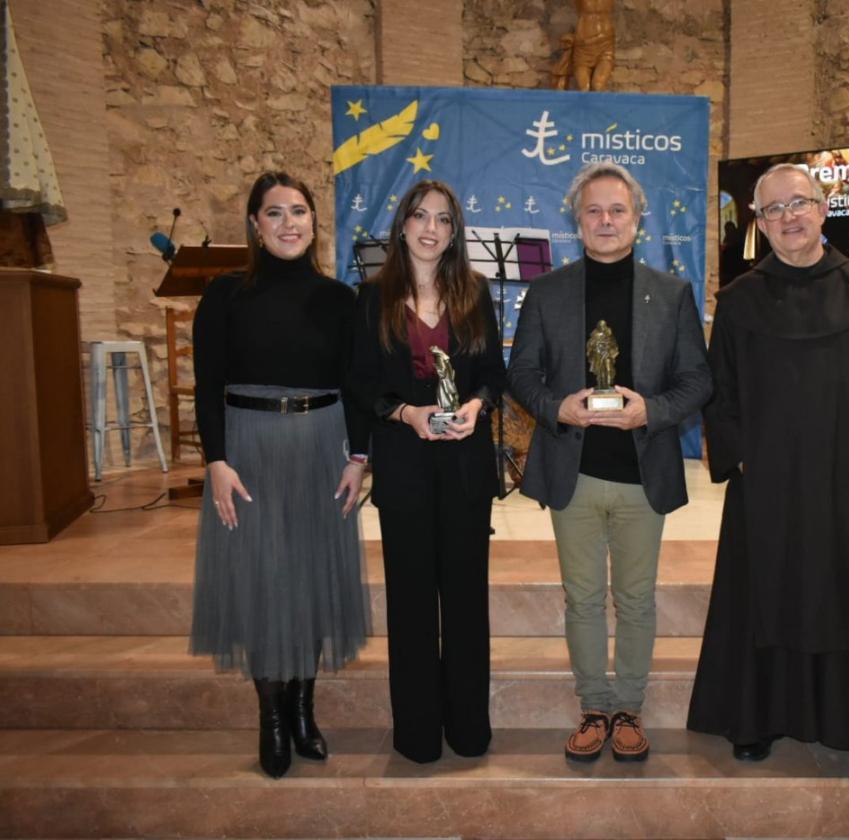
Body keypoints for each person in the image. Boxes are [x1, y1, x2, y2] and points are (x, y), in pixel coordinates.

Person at [687, 162, 849, 770]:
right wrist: (736, 461)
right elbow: (722, 390)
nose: (788, 217)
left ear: (821, 209)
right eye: (772, 210)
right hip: (768, 481)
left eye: (798, 204)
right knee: (766, 590)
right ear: (759, 223)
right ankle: (757, 716)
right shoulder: (738, 302)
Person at [508, 162, 711, 763]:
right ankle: (594, 706)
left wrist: (650, 409)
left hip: (641, 475)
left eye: (616, 210)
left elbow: (698, 380)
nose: (605, 220)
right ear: (576, 219)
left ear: (637, 218)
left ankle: (629, 709)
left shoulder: (671, 293)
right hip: (573, 471)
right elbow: (521, 373)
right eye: (593, 210)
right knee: (584, 598)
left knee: (639, 599)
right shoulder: (547, 292)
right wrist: (557, 408)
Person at [190, 171, 371, 779]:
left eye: (299, 212)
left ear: (315, 223)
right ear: (254, 224)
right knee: (264, 582)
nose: (289, 223)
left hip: (323, 448)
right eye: (275, 213)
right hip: (249, 453)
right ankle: (270, 715)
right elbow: (207, 385)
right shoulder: (224, 295)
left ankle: (302, 711)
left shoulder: (341, 300)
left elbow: (357, 385)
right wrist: (215, 461)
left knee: (312, 579)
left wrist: (358, 458)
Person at [349, 179, 504, 764]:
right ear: (403, 225)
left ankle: (469, 729)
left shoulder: (475, 291)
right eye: (420, 216)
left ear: (454, 232)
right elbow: (361, 383)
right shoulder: (371, 297)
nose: (431, 228)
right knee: (412, 605)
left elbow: (493, 372)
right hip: (405, 465)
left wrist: (476, 405)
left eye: (443, 219)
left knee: (465, 603)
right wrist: (407, 412)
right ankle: (416, 734)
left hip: (465, 469)